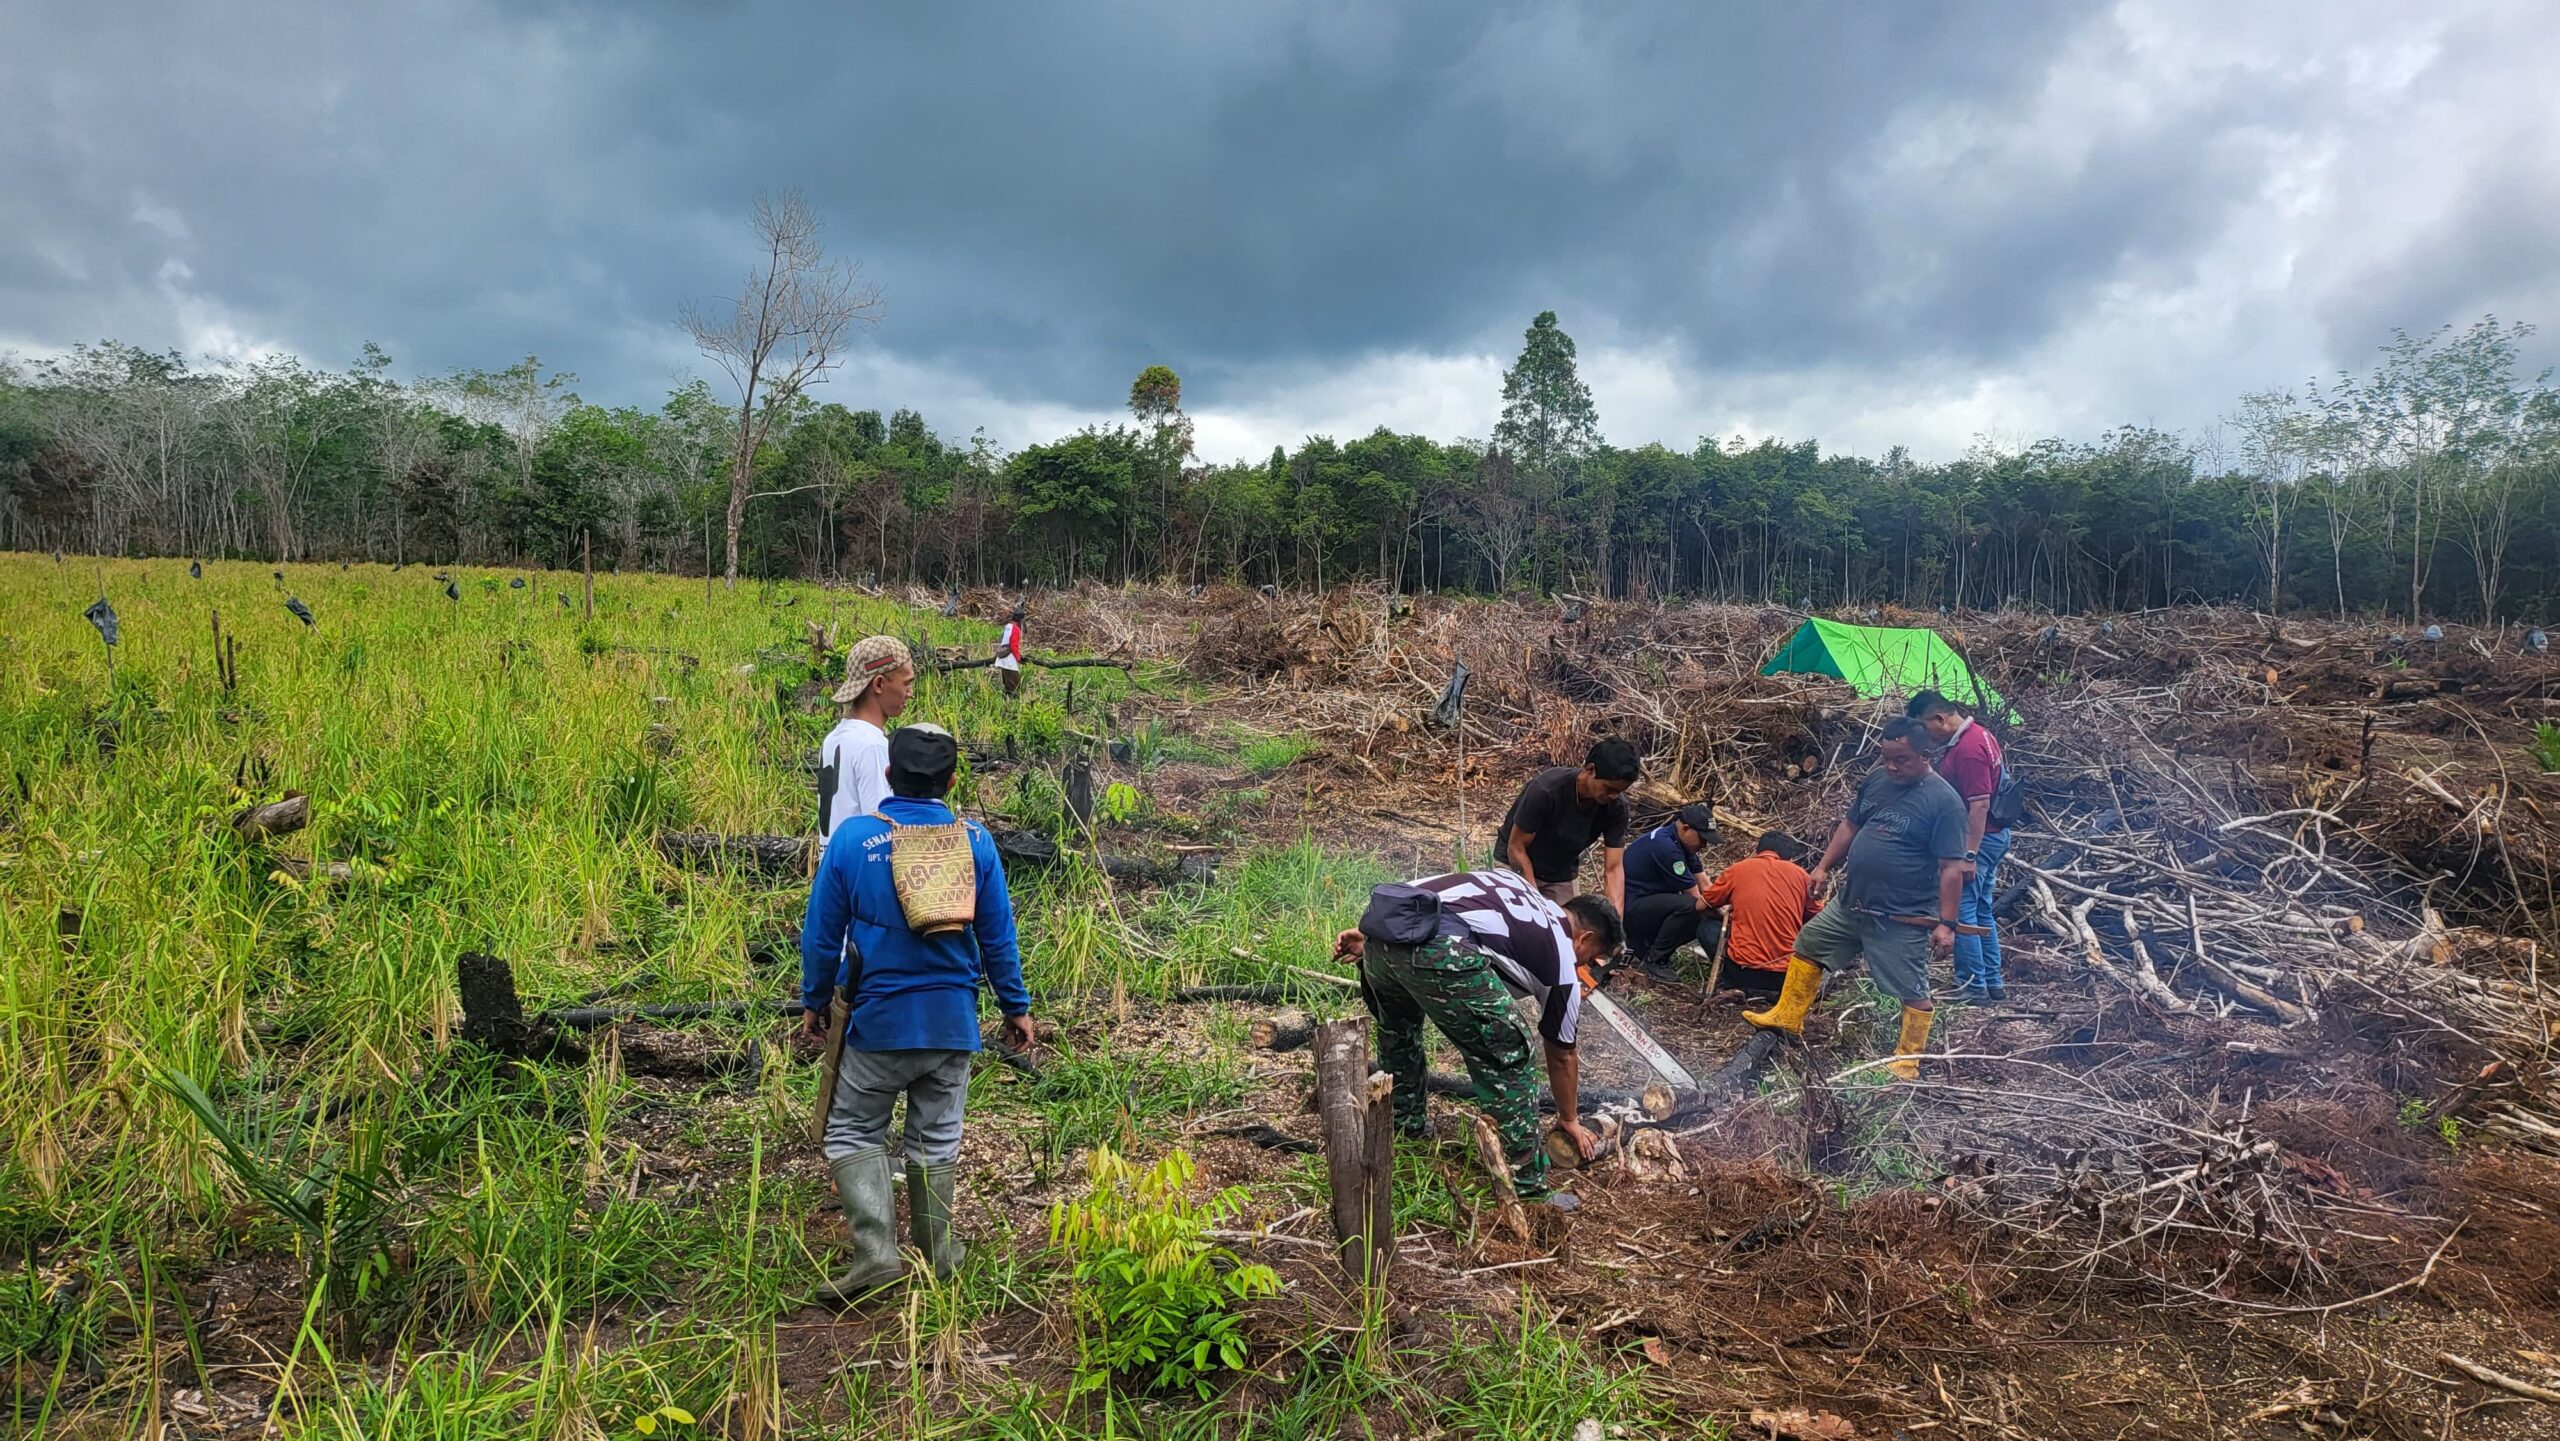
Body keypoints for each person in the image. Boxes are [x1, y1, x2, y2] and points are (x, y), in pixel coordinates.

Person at [799, 725, 1035, 1302]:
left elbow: (821, 938)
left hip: (878, 1024)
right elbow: (998, 936)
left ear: (887, 775)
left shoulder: (854, 841)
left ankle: (878, 1255)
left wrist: (815, 1002)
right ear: (952, 781)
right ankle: (941, 1255)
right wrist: (1016, 1006)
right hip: (952, 1023)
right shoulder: (975, 841)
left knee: (854, 1129)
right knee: (936, 1139)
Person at [1332, 868, 1622, 1208]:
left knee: (1399, 1031)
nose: (1583, 965)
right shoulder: (1561, 957)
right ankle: (1526, 1186)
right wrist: (1569, 1118)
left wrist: (1374, 938)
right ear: (1584, 938)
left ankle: (1404, 1126)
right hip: (1441, 949)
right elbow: (1562, 1055)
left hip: (1385, 929)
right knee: (1510, 1056)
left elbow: (1432, 897)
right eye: (1589, 958)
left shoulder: (1511, 884)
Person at [1745, 718, 1969, 1080]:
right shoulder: (1878, 780)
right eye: (1886, 758)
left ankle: (1908, 1060)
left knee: (1910, 987)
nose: (1892, 767)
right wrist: (1822, 868)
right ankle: (1788, 1016)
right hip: (1853, 902)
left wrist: (1947, 924)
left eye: (1902, 760)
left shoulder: (1945, 803)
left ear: (1925, 755)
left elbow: (1951, 868)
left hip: (1900, 914)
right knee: (1809, 943)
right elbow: (1850, 826)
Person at [1908, 690, 2013, 1003]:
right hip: (1993, 837)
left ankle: (1972, 987)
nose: (1925, 738)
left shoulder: (1968, 750)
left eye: (1924, 728)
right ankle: (1991, 984)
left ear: (1940, 719)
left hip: (1980, 841)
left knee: (1964, 912)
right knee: (1981, 911)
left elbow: (1979, 805)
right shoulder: (1981, 734)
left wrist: (1969, 855)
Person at [1494, 737, 1641, 912]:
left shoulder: (1617, 807)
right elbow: (1516, 848)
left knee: (1567, 929)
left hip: (1560, 871)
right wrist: (1536, 902)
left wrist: (1616, 923)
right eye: (1608, 788)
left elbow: (1614, 868)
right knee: (1522, 922)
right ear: (1590, 769)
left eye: (1619, 791)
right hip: (1514, 861)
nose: (1613, 796)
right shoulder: (1546, 790)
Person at [1694, 832, 1817, 1000]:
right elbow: (1819, 916)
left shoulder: (1738, 869)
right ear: (1788, 857)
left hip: (1743, 972)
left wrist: (1727, 917)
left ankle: (1731, 981)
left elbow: (1700, 906)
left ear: (1758, 850)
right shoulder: (1802, 875)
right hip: (1785, 977)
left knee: (1707, 927)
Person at [817, 636, 915, 843]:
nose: (910, 693)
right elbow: (882, 828)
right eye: (906, 684)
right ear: (879, 684)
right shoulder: (872, 745)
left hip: (835, 865)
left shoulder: (834, 738)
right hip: (862, 871)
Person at [1619, 803, 1723, 972]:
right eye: (1702, 839)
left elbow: (1704, 883)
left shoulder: (1682, 844)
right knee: (1691, 906)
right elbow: (1697, 898)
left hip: (1652, 903)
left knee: (1697, 909)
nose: (1704, 845)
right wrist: (1723, 916)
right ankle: (1655, 960)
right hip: (1633, 908)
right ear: (1686, 829)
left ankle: (1648, 948)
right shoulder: (1666, 848)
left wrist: (1726, 905)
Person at [994, 603, 1026, 699]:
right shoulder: (1016, 630)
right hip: (1009, 660)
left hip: (1002, 657)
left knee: (1007, 684)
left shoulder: (1007, 626)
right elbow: (1014, 646)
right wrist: (1018, 658)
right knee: (1015, 686)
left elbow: (1001, 641)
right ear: (1020, 620)